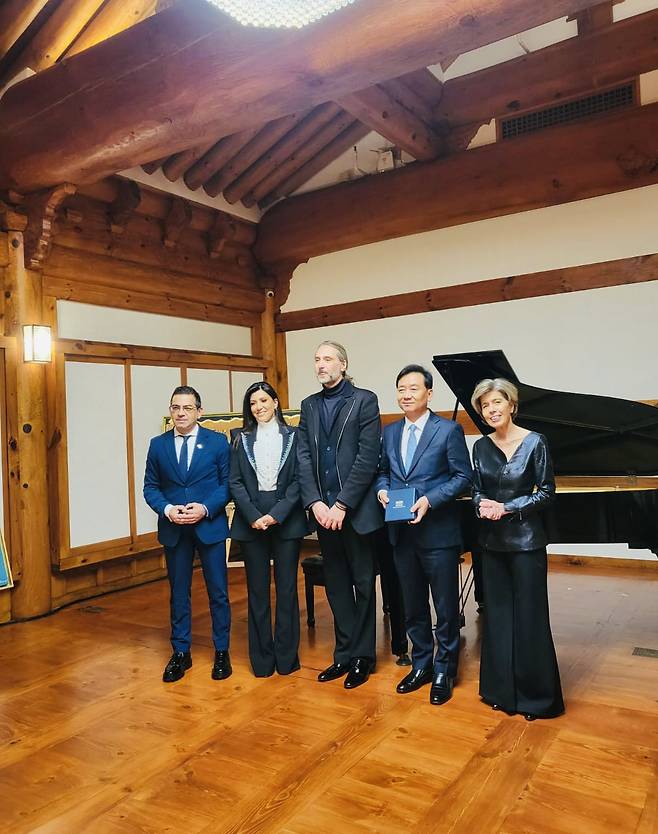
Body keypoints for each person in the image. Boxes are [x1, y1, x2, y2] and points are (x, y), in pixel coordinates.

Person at [377, 364, 472, 705]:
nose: (406, 394)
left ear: (429, 393)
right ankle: (421, 664)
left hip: (439, 535)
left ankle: (445, 668)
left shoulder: (448, 431)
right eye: (401, 388)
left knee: (445, 608)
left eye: (413, 388)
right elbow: (383, 473)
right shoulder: (389, 432)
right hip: (401, 535)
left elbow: (463, 477)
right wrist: (382, 491)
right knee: (413, 606)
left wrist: (430, 501)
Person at [471, 377, 564, 720]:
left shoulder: (535, 442)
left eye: (497, 402)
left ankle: (536, 698)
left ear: (512, 405)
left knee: (529, 618)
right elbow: (477, 489)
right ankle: (501, 692)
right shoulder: (481, 447)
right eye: (485, 405)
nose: (491, 409)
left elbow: (547, 492)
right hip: (492, 544)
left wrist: (507, 508)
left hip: (526, 544)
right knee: (497, 617)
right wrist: (482, 505)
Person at [297, 340, 382, 689]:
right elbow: (302, 458)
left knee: (363, 583)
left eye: (327, 358)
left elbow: (367, 458)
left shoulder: (364, 400)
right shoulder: (309, 405)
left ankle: (364, 656)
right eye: (316, 359)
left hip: (355, 512)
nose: (321, 364)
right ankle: (343, 654)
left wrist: (342, 504)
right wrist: (316, 503)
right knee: (335, 585)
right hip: (322, 514)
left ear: (343, 365)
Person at [143, 385, 232, 683]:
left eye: (187, 408)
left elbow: (226, 486)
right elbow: (150, 487)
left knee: (218, 592)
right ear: (170, 411)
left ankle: (222, 651)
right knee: (178, 593)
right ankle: (181, 652)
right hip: (174, 529)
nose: (181, 413)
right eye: (175, 408)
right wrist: (168, 510)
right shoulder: (158, 445)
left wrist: (205, 508)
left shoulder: (218, 443)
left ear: (199, 412)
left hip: (209, 527)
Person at [229, 381, 309, 677]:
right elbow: (234, 481)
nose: (259, 407)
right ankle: (262, 660)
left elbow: (300, 480)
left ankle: (287, 658)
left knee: (287, 590)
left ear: (275, 402)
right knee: (257, 592)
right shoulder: (239, 438)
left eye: (264, 400)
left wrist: (275, 515)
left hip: (285, 518)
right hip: (251, 520)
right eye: (253, 403)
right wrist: (253, 515)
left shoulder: (295, 436)